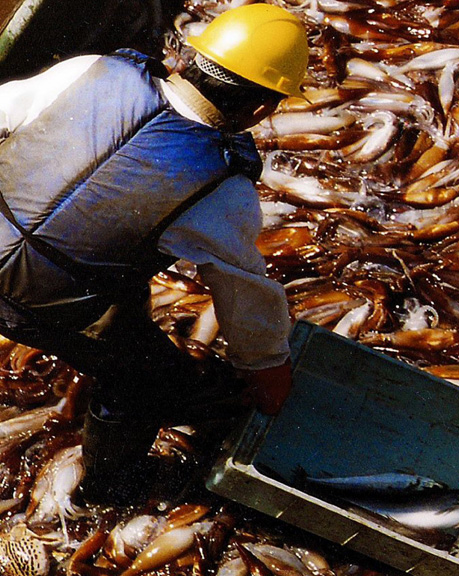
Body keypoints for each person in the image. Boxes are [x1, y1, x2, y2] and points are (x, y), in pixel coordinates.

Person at [0, 3, 308, 505]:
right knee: (146, 383)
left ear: (188, 59)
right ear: (260, 110)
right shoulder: (223, 188)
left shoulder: (90, 70)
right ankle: (105, 486)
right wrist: (268, 368)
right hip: (38, 304)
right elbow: (244, 299)